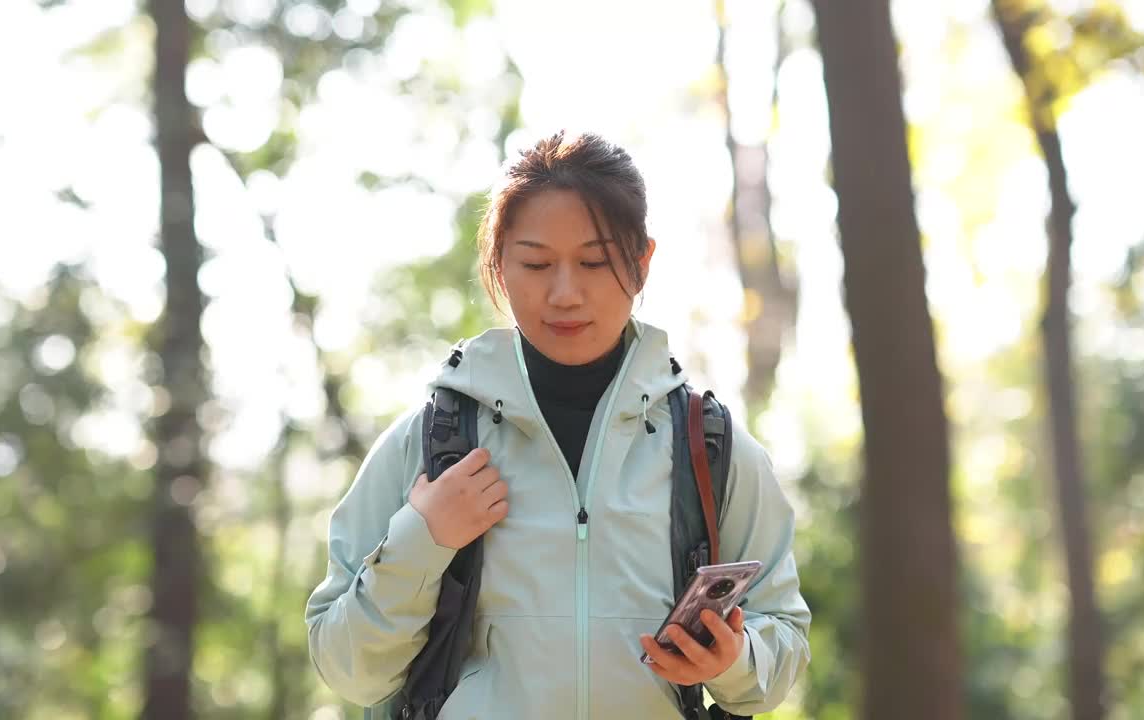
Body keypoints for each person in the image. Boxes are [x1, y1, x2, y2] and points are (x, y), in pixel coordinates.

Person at [305, 130, 810, 719]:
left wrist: (732, 661)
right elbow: (347, 668)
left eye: (595, 261)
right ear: (498, 263)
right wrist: (424, 538)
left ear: (642, 263)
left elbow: (783, 643)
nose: (565, 293)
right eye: (537, 263)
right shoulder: (430, 442)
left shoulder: (711, 446)